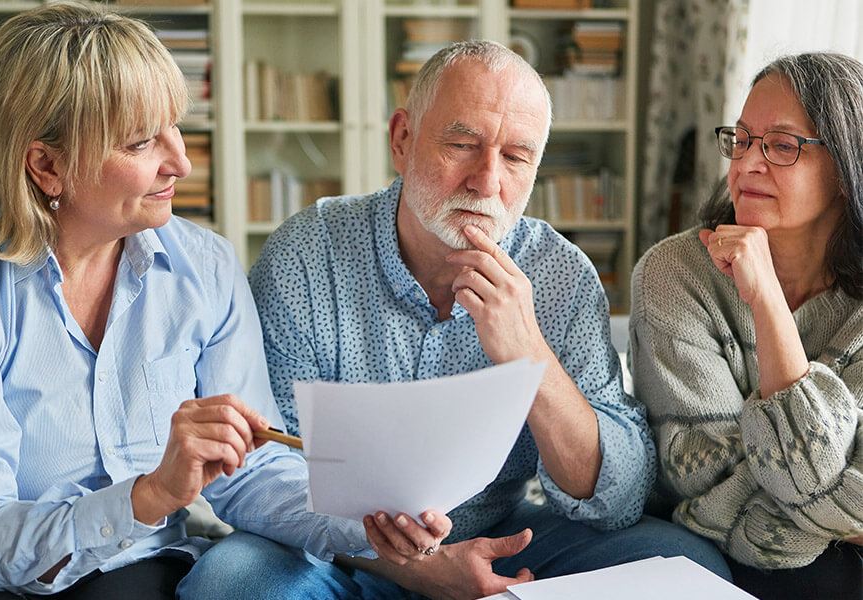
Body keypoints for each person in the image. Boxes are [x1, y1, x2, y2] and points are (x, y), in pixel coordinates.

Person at [0, 3, 451, 598]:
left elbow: (254, 473)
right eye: (142, 142)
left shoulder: (205, 266)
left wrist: (369, 522)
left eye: (176, 126)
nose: (183, 163)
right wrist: (149, 497)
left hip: (151, 572)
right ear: (47, 165)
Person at [218, 40, 731, 599]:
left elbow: (620, 495)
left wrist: (529, 353)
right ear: (402, 139)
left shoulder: (562, 274)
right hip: (339, 551)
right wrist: (415, 565)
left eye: (515, 157)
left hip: (503, 535)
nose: (487, 181)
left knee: (688, 565)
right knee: (233, 579)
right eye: (462, 144)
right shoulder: (308, 253)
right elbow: (270, 465)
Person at [630, 52, 863, 600]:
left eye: (782, 146)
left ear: (849, 169)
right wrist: (764, 299)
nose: (746, 164)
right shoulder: (675, 274)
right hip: (734, 561)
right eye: (740, 139)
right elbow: (704, 481)